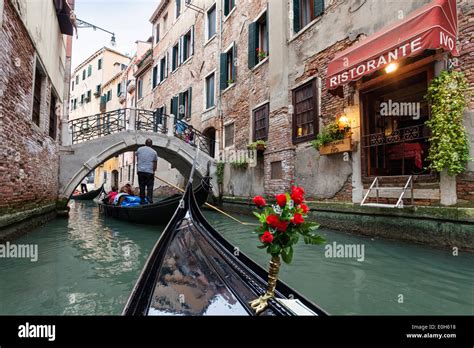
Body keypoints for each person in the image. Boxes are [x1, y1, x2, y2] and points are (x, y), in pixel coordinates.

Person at [136, 139, 158, 204]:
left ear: (145, 143)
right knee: (150, 186)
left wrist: (138, 168)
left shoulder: (139, 149)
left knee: (142, 186)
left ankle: (142, 201)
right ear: (151, 144)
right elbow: (155, 163)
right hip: (149, 172)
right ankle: (150, 200)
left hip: (141, 171)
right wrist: (153, 171)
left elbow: (137, 158)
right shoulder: (154, 152)